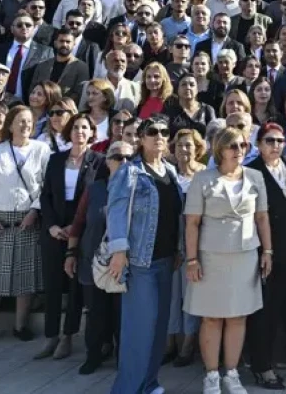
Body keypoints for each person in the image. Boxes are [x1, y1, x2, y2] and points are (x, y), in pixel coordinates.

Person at [184, 126, 273, 394]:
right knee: (211, 318)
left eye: (243, 146)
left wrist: (267, 252)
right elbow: (192, 223)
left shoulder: (256, 177)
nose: (239, 151)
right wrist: (191, 259)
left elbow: (262, 218)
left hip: (245, 256)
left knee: (238, 317)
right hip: (210, 257)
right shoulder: (203, 179)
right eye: (233, 146)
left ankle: (231, 374)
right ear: (220, 149)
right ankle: (212, 375)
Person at [106, 116, 184, 394]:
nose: (160, 136)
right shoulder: (130, 172)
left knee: (158, 329)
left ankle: (149, 384)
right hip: (139, 262)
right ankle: (127, 389)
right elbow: (115, 210)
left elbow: (174, 216)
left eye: (164, 131)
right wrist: (118, 251)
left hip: (166, 260)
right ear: (140, 138)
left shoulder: (171, 171)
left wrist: (178, 249)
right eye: (152, 132)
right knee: (138, 332)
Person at [0, 104, 50, 344]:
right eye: (21, 121)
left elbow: (47, 185)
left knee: (24, 280)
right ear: (11, 124)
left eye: (30, 121)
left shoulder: (42, 149)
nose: (26, 125)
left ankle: (20, 326)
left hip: (28, 220)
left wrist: (34, 211)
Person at [36, 112, 103, 360]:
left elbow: (94, 200)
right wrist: (53, 226)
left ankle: (68, 336)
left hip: (81, 233)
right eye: (76, 128)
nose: (80, 132)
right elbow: (45, 196)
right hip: (54, 232)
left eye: (85, 128)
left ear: (92, 133)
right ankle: (51, 335)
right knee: (53, 286)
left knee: (75, 288)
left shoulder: (99, 161)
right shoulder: (55, 160)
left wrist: (75, 227)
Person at [65, 139, 132, 375]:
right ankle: (93, 355)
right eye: (117, 157)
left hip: (126, 263)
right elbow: (79, 222)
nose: (122, 162)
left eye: (127, 157)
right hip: (93, 260)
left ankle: (123, 358)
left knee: (121, 313)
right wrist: (71, 253)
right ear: (108, 161)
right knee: (95, 312)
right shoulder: (95, 189)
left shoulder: (139, 188)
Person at [247, 121, 286, 389]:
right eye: (269, 141)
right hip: (264, 253)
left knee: (284, 308)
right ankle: (262, 366)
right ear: (259, 144)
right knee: (264, 313)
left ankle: (277, 357)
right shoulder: (251, 172)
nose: (275, 146)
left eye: (280, 141)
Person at [169, 127, 207, 367]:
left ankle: (188, 344)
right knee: (173, 296)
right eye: (180, 144)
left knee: (192, 295)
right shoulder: (169, 174)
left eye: (189, 145)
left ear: (198, 148)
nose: (184, 149)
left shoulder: (205, 174)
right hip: (172, 245)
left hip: (197, 246)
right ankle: (171, 343)